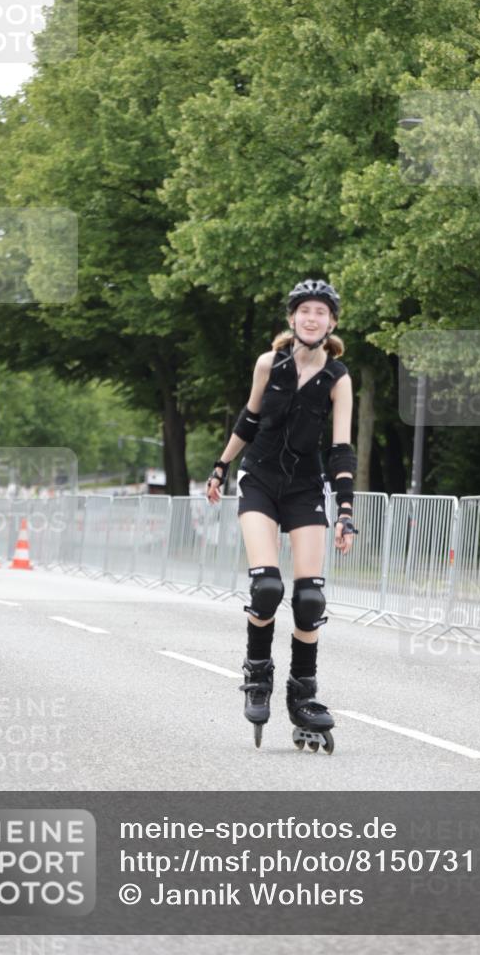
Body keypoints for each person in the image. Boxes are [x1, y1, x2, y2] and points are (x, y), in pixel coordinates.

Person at [206, 279, 358, 752]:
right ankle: (257, 674)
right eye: (304, 311)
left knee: (310, 599)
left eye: (321, 312)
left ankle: (303, 695)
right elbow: (249, 420)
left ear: (331, 323)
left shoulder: (339, 378)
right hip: (259, 480)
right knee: (267, 586)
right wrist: (220, 466)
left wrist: (346, 510)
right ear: (291, 318)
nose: (312, 319)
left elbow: (340, 448)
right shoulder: (268, 364)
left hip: (304, 487)